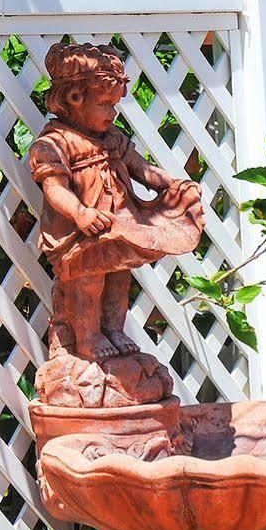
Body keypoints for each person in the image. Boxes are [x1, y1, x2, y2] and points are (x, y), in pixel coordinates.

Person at [28, 41, 203, 403]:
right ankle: (88, 336)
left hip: (121, 225)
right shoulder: (56, 142)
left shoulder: (111, 137)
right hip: (84, 233)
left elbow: (139, 169)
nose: (111, 112)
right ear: (74, 98)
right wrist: (80, 213)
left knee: (119, 280)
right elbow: (54, 188)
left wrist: (169, 183)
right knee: (87, 285)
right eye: (104, 104)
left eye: (114, 104)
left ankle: (112, 328)